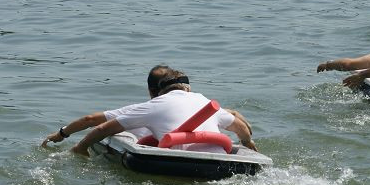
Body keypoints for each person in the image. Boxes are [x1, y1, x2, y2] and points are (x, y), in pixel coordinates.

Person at [41, 67, 256, 155]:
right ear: (188, 88)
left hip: (175, 162)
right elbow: (241, 128)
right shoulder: (206, 102)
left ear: (154, 91)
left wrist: (78, 147)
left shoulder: (150, 107)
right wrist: (247, 144)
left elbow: (96, 123)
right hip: (220, 164)